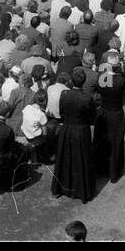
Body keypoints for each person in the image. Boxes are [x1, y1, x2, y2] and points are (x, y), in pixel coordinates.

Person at [51, 67, 97, 203]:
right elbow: (92, 117)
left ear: (72, 81)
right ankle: (81, 191)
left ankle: (60, 188)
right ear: (83, 82)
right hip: (81, 131)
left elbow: (62, 112)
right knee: (81, 160)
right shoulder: (87, 98)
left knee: (65, 158)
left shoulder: (64, 94)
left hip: (67, 129)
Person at [92, 55, 125, 184]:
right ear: (118, 66)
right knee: (116, 140)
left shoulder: (102, 78)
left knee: (102, 138)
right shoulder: (120, 80)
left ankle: (101, 168)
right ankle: (114, 172)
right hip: (116, 113)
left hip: (104, 111)